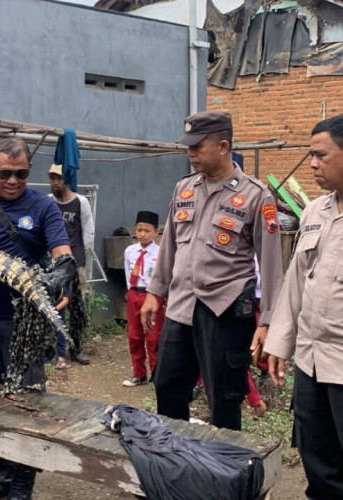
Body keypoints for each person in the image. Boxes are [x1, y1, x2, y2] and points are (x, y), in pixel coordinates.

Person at [140, 111, 283, 431]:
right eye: (187, 146)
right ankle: (173, 462)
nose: (190, 153)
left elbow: (272, 264)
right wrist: (154, 291)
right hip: (180, 307)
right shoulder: (184, 189)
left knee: (224, 398)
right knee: (168, 387)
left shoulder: (256, 196)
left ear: (222, 146)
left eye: (197, 146)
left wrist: (270, 321)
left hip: (224, 311)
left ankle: (223, 473)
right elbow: (170, 246)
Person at [0, 138, 74, 500]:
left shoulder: (43, 206)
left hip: (23, 323)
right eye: (6, 173)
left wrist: (62, 271)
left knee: (26, 402)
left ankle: (23, 482)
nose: (13, 181)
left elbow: (62, 251)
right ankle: (4, 473)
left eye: (22, 174)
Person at [264, 114, 343, 498]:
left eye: (321, 155)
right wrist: (280, 342)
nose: (312, 164)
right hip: (312, 363)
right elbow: (296, 280)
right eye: (310, 155)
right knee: (319, 461)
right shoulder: (315, 213)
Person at [48, 163, 94, 364]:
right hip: (53, 265)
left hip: (75, 264)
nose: (55, 182)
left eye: (59, 178)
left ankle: (76, 348)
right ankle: (51, 350)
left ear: (67, 180)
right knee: (53, 305)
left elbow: (88, 232)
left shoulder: (80, 202)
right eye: (52, 178)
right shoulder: (48, 202)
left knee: (77, 308)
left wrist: (78, 260)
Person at [122, 210, 164, 387]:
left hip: (152, 296)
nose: (142, 234)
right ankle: (139, 374)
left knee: (153, 337)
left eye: (147, 230)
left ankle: (157, 375)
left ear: (156, 232)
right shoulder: (130, 251)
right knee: (134, 335)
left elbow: (163, 276)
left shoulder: (161, 252)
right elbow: (127, 272)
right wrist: (129, 291)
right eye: (139, 230)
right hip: (134, 294)